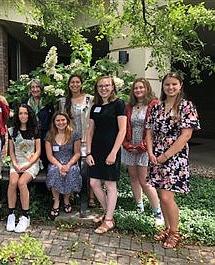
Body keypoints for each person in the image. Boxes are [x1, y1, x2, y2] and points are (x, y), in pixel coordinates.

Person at [145, 72, 200, 249]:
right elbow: (149, 133)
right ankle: (168, 229)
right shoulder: (157, 107)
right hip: (156, 156)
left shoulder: (186, 106)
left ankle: (175, 233)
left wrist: (165, 156)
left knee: (168, 197)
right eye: (167, 84)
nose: (170, 87)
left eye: (174, 84)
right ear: (163, 86)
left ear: (180, 85)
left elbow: (186, 135)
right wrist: (151, 153)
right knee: (161, 194)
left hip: (174, 157)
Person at [86, 76, 127, 234]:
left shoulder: (119, 104)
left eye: (107, 85)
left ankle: (108, 220)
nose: (104, 88)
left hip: (111, 150)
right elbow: (90, 131)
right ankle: (107, 212)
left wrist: (114, 152)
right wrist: (89, 152)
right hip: (96, 150)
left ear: (112, 87)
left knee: (110, 185)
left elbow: (122, 130)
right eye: (100, 86)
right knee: (94, 183)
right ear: (97, 88)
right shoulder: (95, 107)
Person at [122, 78, 164, 225]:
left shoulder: (154, 105)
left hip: (146, 145)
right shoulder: (129, 106)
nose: (138, 90)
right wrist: (128, 145)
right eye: (136, 88)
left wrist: (142, 146)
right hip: (129, 144)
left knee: (144, 180)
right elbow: (123, 126)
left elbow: (154, 130)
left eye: (141, 88)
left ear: (147, 89)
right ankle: (139, 205)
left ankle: (157, 211)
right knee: (133, 177)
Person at [59, 74, 96, 209]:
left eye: (77, 82)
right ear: (69, 85)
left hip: (87, 137)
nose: (75, 85)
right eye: (72, 82)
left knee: (88, 168)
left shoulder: (90, 99)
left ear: (81, 84)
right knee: (72, 165)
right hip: (71, 139)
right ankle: (73, 191)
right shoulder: (63, 102)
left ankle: (90, 196)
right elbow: (61, 120)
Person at [6, 104, 41, 233]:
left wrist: (28, 164)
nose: (23, 116)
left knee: (21, 182)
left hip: (31, 162)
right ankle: (11, 214)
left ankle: (25, 216)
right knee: (13, 182)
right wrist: (15, 164)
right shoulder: (11, 131)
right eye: (20, 113)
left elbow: (38, 152)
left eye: (25, 113)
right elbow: (12, 152)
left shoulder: (35, 130)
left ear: (29, 114)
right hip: (17, 162)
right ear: (17, 115)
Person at [45, 111, 82, 218]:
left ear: (67, 121)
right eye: (58, 120)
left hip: (70, 162)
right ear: (54, 122)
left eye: (63, 120)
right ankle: (56, 201)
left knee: (72, 171)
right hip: (55, 162)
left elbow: (77, 153)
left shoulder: (74, 134)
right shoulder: (49, 135)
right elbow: (49, 156)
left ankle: (66, 200)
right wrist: (60, 166)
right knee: (53, 171)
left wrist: (68, 165)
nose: (60, 122)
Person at [22, 79, 54, 169]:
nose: (35, 89)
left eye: (37, 87)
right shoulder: (25, 103)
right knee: (30, 159)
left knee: (45, 160)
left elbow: (52, 120)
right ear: (30, 89)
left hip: (45, 136)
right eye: (32, 87)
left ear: (41, 89)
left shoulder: (48, 103)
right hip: (30, 135)